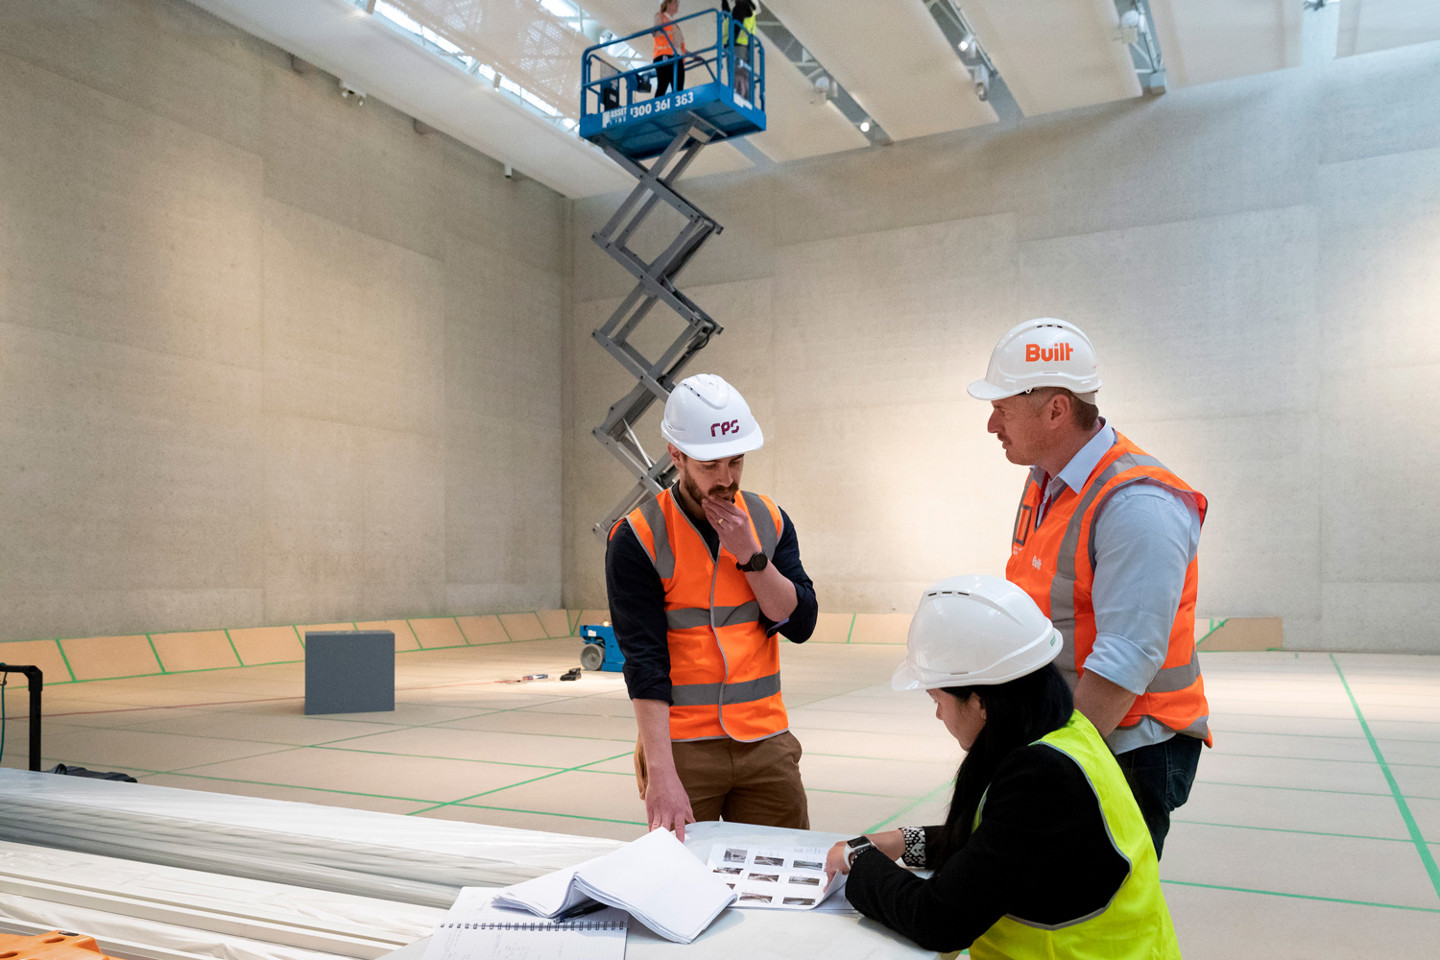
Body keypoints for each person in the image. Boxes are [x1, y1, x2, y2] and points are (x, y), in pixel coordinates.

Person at [826, 575, 1182, 958]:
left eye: (937, 699)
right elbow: (1004, 846)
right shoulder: (1069, 733)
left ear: (980, 702)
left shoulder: (1043, 778)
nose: (938, 715)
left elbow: (939, 920)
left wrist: (859, 864)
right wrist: (903, 841)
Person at [968, 318, 1210, 858]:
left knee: (1102, 922)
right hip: (1069, 731)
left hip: (1123, 745)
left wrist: (1052, 766)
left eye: (1001, 408)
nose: (991, 424)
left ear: (1055, 409)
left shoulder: (1137, 504)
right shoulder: (1047, 480)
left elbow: (1126, 659)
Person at [605, 373, 818, 842]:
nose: (726, 479)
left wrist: (751, 556)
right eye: (710, 465)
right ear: (675, 455)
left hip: (765, 741)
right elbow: (644, 663)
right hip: (682, 749)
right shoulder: (637, 537)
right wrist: (660, 771)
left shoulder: (768, 520)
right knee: (679, 886)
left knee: (785, 878)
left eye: (736, 462)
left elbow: (801, 623)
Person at [722, 0, 758, 98]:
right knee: (743, 76)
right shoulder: (746, 8)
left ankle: (737, 99)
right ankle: (745, 100)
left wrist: (731, 42)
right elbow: (729, 18)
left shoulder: (741, 6)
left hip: (736, 47)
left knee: (737, 76)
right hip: (744, 48)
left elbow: (736, 25)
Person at [652, 0, 687, 98]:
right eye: (675, 2)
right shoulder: (660, 16)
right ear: (668, 3)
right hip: (664, 55)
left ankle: (678, 110)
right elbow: (655, 32)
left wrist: (693, 55)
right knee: (663, 84)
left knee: (679, 88)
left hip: (676, 58)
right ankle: (657, 109)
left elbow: (679, 46)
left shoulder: (675, 25)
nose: (677, 4)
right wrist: (658, 30)